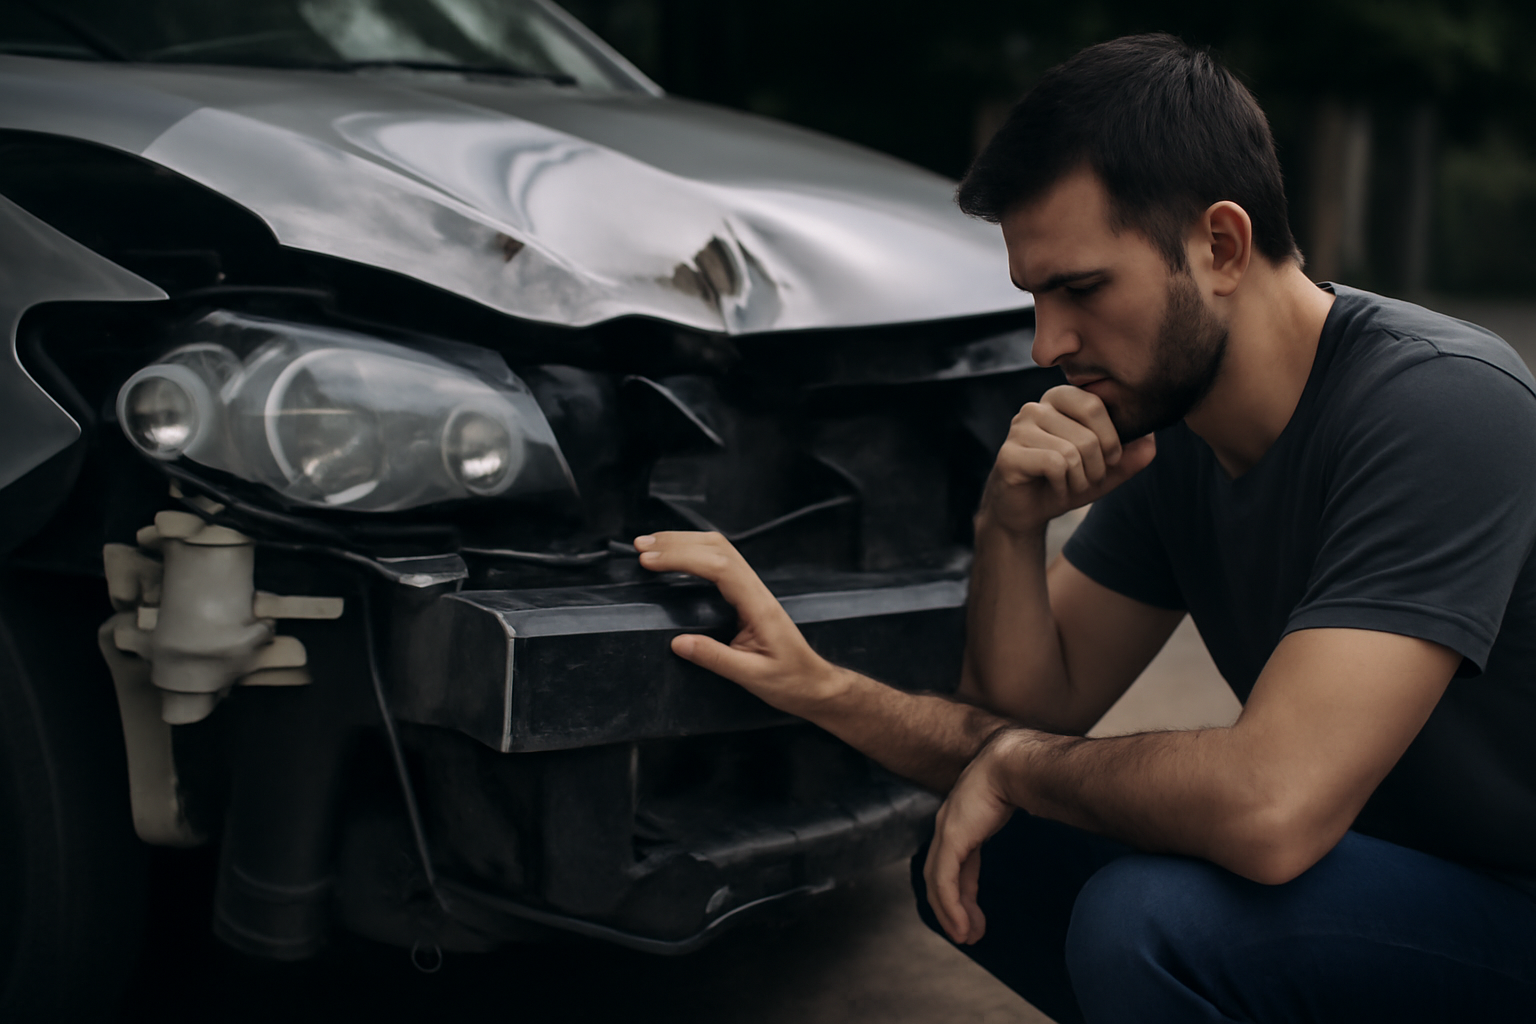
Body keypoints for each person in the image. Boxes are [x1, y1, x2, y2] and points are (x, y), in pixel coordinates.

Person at [631, 32, 1536, 1024]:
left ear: (1221, 246)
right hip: (1385, 878)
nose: (1047, 344)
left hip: (1506, 904)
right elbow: (1025, 716)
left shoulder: (1441, 404)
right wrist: (1002, 528)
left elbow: (1269, 806)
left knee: (1147, 916)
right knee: (989, 850)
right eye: (1034, 297)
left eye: (1082, 289)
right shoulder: (1186, 429)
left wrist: (1016, 763)